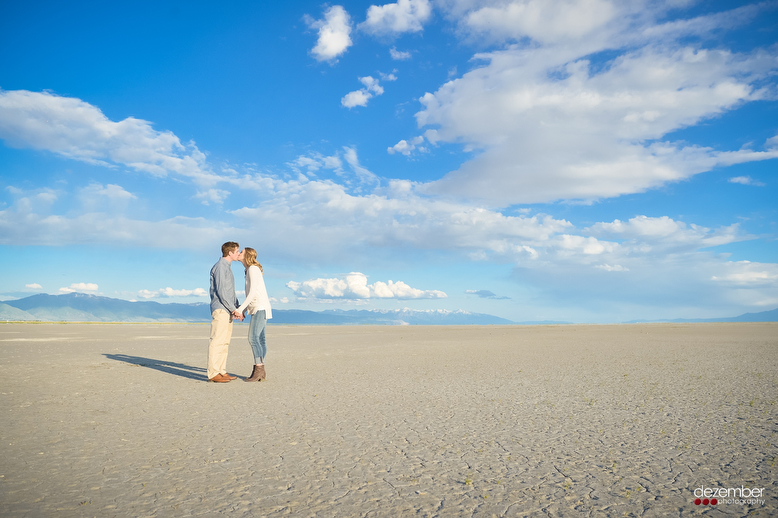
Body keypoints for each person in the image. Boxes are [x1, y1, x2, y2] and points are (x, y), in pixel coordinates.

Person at [234, 247, 272, 382]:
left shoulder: (253, 269)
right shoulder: (249, 270)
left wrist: (240, 309)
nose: (238, 254)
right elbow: (252, 294)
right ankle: (260, 370)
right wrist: (244, 310)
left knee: (253, 338)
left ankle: (259, 368)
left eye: (241, 252)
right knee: (261, 339)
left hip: (260, 308)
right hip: (259, 307)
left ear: (247, 255)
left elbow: (252, 293)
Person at [207, 241, 243, 383]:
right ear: (230, 253)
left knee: (225, 342)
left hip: (228, 309)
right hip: (221, 309)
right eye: (237, 251)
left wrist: (238, 308)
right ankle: (213, 373)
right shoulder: (221, 267)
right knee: (217, 341)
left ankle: (221, 371)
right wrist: (234, 309)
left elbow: (230, 292)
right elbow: (222, 291)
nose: (239, 254)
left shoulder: (227, 267)